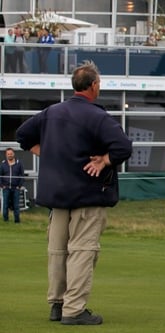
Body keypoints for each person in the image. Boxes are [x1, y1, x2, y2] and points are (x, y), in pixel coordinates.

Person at [16, 60, 133, 325]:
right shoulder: (98, 116)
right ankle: (74, 309)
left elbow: (23, 136)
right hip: (87, 195)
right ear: (93, 86)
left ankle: (57, 305)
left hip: (56, 197)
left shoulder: (51, 112)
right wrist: (103, 160)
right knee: (82, 250)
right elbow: (123, 148)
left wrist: (47, 153)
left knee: (57, 251)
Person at [1, 148, 25, 223]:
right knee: (5, 206)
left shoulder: (19, 163)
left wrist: (19, 186)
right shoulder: (3, 164)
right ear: (6, 155)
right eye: (8, 154)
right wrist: (2, 186)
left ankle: (17, 221)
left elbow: (22, 176)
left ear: (13, 154)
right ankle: (5, 221)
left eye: (11, 154)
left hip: (16, 188)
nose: (10, 155)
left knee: (16, 206)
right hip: (6, 188)